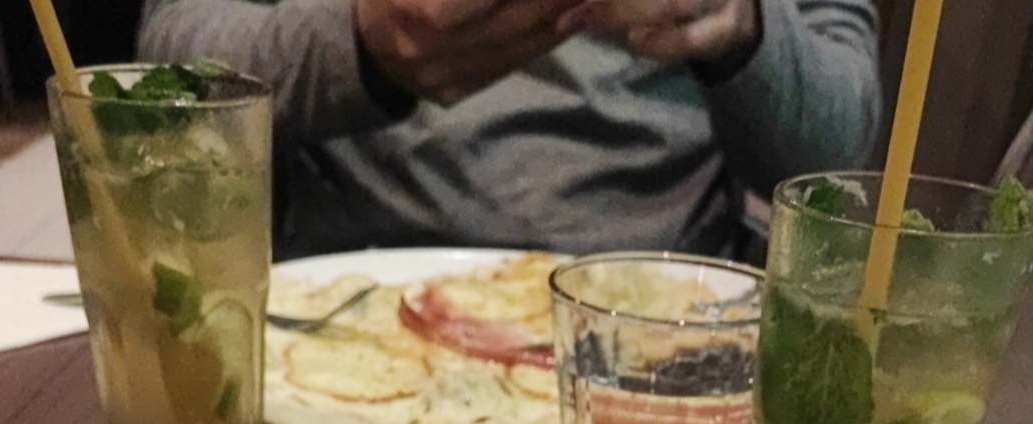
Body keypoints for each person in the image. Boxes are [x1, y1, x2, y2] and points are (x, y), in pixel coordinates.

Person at [136, 0, 881, 260]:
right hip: (332, 311)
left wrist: (741, 27)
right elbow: (167, 56)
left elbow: (835, 153)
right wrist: (357, 48)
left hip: (661, 352)